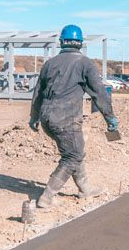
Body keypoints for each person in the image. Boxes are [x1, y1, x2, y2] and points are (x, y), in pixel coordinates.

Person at [29, 25, 119, 210]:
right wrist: (110, 118)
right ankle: (47, 196)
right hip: (66, 118)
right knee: (73, 155)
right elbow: (99, 93)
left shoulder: (50, 63)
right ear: (80, 43)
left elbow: (38, 93)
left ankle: (85, 188)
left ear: (62, 42)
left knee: (75, 150)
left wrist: (34, 117)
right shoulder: (84, 63)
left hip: (47, 117)